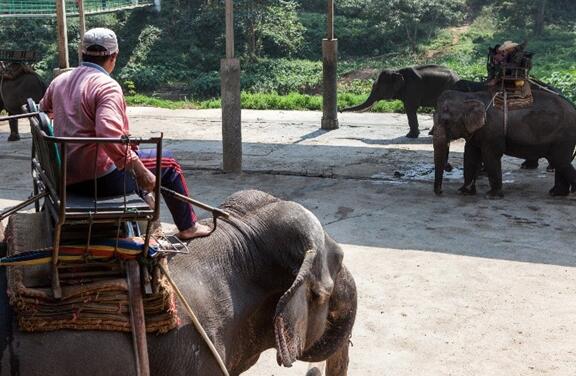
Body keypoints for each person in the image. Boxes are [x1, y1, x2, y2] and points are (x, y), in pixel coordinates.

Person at [40, 27, 211, 240]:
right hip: (99, 180)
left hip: (64, 173)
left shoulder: (60, 81)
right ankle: (188, 227)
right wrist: (138, 169)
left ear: (81, 53)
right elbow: (108, 134)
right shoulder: (106, 87)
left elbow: (42, 111)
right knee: (168, 162)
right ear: (114, 56)